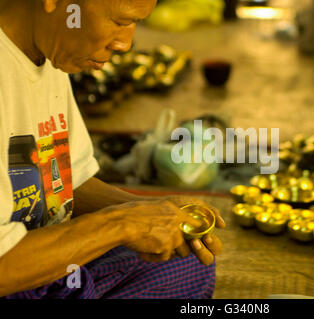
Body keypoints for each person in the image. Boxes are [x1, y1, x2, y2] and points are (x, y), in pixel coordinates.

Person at [0, 0, 225, 299]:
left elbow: (68, 185)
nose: (125, 43)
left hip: (47, 265)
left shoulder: (54, 47)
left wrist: (153, 216)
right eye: (120, 22)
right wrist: (119, 224)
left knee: (185, 262)